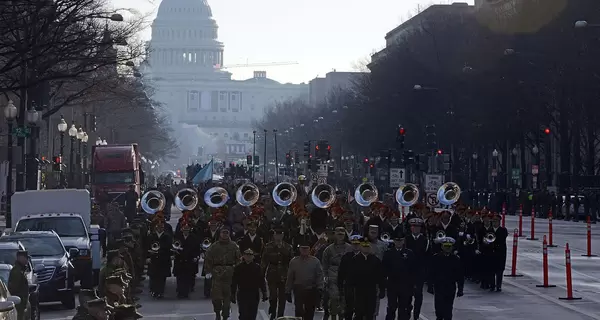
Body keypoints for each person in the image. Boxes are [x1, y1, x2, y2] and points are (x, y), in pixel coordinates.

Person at [204, 227, 241, 320]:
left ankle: (225, 315)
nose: (225, 235)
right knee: (216, 298)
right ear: (220, 234)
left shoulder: (234, 246)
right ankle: (217, 312)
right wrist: (208, 271)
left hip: (229, 274)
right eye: (223, 233)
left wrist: (237, 270)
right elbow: (208, 258)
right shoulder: (214, 246)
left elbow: (239, 259)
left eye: (227, 233)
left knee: (227, 297)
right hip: (217, 274)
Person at [285, 240, 324, 320]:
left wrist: (320, 288)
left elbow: (319, 275)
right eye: (303, 248)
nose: (304, 250)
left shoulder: (315, 261)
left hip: (311, 289)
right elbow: (290, 277)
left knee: (309, 312)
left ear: (309, 249)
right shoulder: (294, 262)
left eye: (306, 248)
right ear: (299, 249)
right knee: (299, 311)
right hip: (299, 289)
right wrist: (287, 291)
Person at [261, 228, 294, 320]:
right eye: (276, 235)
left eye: (280, 235)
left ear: (283, 235)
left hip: (284, 273)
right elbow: (264, 261)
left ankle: (280, 315)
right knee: (273, 295)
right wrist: (261, 275)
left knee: (282, 297)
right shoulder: (268, 246)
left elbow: (291, 261)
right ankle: (272, 310)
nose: (278, 236)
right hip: (272, 272)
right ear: (274, 236)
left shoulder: (288, 247)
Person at [348, 238, 385, 320]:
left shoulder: (376, 260)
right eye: (364, 246)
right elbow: (350, 276)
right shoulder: (355, 260)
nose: (366, 248)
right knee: (359, 313)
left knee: (370, 313)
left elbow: (381, 277)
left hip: (371, 290)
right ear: (360, 247)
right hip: (358, 291)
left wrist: (382, 289)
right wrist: (350, 289)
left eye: (367, 246)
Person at [428, 237, 464, 320]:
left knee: (448, 310)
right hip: (439, 286)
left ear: (452, 247)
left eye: (449, 246)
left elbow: (460, 275)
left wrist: (460, 289)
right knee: (439, 310)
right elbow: (431, 273)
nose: (447, 248)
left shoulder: (456, 259)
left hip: (450, 287)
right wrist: (430, 286)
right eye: (445, 246)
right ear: (442, 246)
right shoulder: (436, 258)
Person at [383, 234, 416, 320]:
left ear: (403, 241)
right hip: (392, 284)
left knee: (404, 309)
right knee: (391, 308)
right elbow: (384, 269)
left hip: (405, 285)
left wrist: (412, 286)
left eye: (400, 240)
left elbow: (413, 270)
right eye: (397, 240)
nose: (399, 242)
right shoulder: (388, 253)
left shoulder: (409, 253)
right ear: (394, 241)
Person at [321, 227, 351, 320]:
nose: (340, 235)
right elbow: (324, 264)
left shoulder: (350, 248)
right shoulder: (328, 249)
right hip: (332, 276)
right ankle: (333, 316)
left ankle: (342, 317)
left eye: (342, 233)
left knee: (344, 300)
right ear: (335, 235)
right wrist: (325, 277)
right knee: (334, 298)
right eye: (338, 233)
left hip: (346, 276)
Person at [232, 249, 268, 320]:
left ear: (253, 257)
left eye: (250, 255)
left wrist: (264, 292)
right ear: (243, 256)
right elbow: (234, 282)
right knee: (243, 314)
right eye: (246, 255)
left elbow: (261, 281)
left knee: (252, 315)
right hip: (242, 294)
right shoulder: (238, 268)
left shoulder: (257, 267)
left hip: (254, 294)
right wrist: (232, 294)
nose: (248, 257)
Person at [173, 223, 201, 298]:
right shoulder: (177, 237)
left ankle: (185, 292)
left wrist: (196, 256)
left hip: (189, 260)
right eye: (184, 229)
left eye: (187, 229)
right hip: (179, 259)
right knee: (179, 277)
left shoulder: (194, 237)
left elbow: (197, 248)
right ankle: (180, 291)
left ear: (189, 230)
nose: (185, 231)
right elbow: (173, 246)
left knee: (187, 277)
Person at [337, 235, 362, 320]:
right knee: (348, 309)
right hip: (349, 286)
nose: (356, 246)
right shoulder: (346, 257)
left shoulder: (365, 257)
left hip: (361, 287)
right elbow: (341, 273)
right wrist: (340, 285)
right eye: (354, 244)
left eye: (358, 244)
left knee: (360, 310)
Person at [146, 221, 173, 298]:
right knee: (153, 276)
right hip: (153, 259)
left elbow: (168, 248)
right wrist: (148, 257)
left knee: (162, 277)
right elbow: (147, 247)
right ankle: (154, 291)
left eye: (161, 227)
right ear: (156, 228)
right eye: (158, 227)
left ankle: (160, 292)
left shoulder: (167, 237)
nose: (160, 229)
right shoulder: (151, 236)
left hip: (163, 259)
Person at [7, 250, 29, 320]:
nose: (27, 260)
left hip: (21, 304)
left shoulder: (21, 270)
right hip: (18, 305)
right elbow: (13, 289)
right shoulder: (16, 271)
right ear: (20, 258)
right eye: (25, 258)